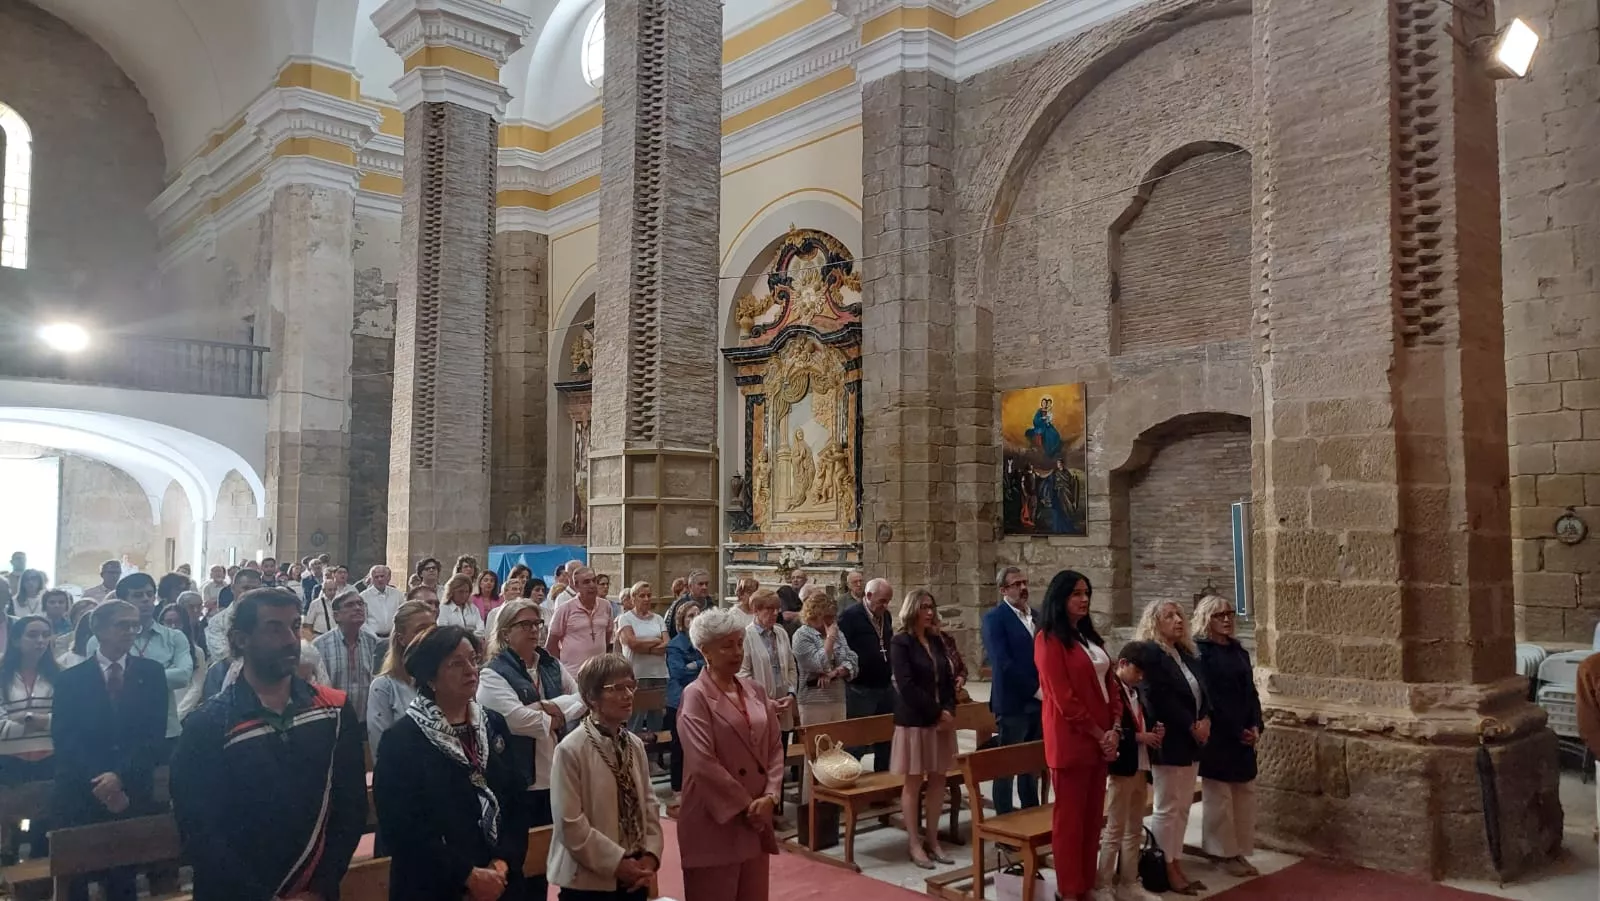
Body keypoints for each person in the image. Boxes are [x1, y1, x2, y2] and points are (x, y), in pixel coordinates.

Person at [172, 587, 366, 901]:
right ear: (240, 639)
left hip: (314, 888)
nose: (290, 640)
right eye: (273, 628)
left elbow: (351, 808)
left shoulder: (334, 710)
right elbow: (200, 830)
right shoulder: (208, 724)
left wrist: (320, 885)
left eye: (294, 626)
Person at [373, 625, 530, 901]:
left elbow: (515, 801)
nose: (471, 670)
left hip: (500, 883)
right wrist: (468, 876)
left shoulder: (492, 724)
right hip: (435, 886)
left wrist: (504, 862)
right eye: (456, 664)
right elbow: (403, 829)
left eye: (473, 659)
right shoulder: (401, 740)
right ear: (430, 677)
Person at [51, 601, 169, 901]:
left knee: (124, 878)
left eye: (135, 625)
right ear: (99, 629)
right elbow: (66, 738)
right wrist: (101, 781)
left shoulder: (151, 673)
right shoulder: (70, 679)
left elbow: (153, 735)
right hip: (83, 790)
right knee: (78, 876)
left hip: (132, 787)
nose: (131, 631)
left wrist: (120, 777)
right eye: (122, 624)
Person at [479, 600, 586, 901]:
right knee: (517, 870)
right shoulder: (492, 673)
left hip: (554, 776)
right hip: (518, 781)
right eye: (524, 625)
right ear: (505, 632)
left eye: (537, 624)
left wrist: (545, 710)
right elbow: (516, 720)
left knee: (543, 865)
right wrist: (554, 713)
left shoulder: (550, 664)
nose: (533, 630)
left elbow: (583, 698)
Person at [678, 609, 783, 900]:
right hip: (716, 816)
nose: (737, 652)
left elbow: (774, 747)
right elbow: (702, 763)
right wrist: (749, 806)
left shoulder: (756, 690)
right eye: (727, 646)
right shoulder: (695, 695)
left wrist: (771, 796)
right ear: (705, 652)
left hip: (757, 816)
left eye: (739, 643)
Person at [548, 654, 664, 901]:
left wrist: (650, 858)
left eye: (630, 686)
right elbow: (570, 823)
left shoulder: (634, 745)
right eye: (617, 688)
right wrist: (617, 864)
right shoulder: (570, 749)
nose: (628, 695)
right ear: (591, 697)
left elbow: (650, 805)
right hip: (589, 882)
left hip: (636, 873)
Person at [1033, 570, 1119, 901]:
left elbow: (1110, 683)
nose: (1084, 599)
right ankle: (1069, 890)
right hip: (1072, 738)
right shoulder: (1048, 639)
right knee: (1070, 821)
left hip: (1101, 738)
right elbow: (1063, 697)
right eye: (1076, 594)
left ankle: (1086, 884)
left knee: (1092, 818)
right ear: (1060, 598)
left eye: (1086, 593)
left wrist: (1114, 727)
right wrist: (1099, 733)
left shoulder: (1088, 636)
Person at [1136, 599, 1211, 895]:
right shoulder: (1151, 656)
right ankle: (1163, 866)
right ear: (1155, 622)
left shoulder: (1187, 653)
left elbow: (1204, 691)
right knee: (1167, 807)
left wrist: (1205, 719)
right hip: (1170, 740)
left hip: (1192, 739)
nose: (1178, 620)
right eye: (1169, 616)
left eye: (1179, 614)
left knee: (1181, 808)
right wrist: (1190, 725)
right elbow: (1156, 699)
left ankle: (1176, 860)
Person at [1192, 595, 1261, 879]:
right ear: (1207, 618)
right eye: (1220, 615)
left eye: (1230, 614)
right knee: (1219, 797)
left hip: (1244, 732)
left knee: (1243, 794)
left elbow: (1251, 693)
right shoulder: (1200, 652)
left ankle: (1240, 849)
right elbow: (1210, 697)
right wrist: (1235, 729)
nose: (1227, 619)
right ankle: (1221, 852)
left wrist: (1255, 725)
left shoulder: (1238, 651)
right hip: (1219, 734)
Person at [889, 588, 958, 869]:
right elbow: (906, 685)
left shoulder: (936, 639)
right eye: (924, 607)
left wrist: (950, 710)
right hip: (915, 722)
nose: (930, 612)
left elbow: (949, 677)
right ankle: (914, 843)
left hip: (941, 722)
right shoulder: (900, 642)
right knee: (914, 782)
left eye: (932, 606)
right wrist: (936, 711)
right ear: (912, 609)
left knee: (939, 780)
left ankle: (933, 839)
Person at [89, 573, 194, 754]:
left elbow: (183, 677)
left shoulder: (174, 637)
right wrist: (160, 675)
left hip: (165, 730)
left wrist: (124, 675)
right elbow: (98, 680)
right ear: (122, 600)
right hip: (115, 731)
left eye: (150, 594)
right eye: (138, 595)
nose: (146, 600)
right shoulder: (99, 639)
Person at [1101, 641, 1163, 901]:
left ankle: (1129, 882)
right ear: (1122, 664)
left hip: (1140, 766)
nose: (1140, 677)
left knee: (1134, 828)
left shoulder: (1137, 691)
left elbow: (1143, 719)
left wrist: (1155, 730)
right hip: (1121, 767)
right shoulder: (1111, 691)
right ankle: (1103, 885)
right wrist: (1140, 736)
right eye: (1137, 671)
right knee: (1114, 830)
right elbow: (1108, 728)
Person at [982, 565, 1043, 814]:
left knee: (1031, 764)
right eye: (1017, 584)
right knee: (1007, 767)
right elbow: (1002, 662)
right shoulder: (995, 619)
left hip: (1039, 701)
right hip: (1012, 703)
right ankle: (1004, 821)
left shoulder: (1037, 617)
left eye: (1025, 582)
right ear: (1004, 590)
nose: (1023, 588)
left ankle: (1031, 813)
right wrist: (1035, 689)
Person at [0, 615, 59, 861]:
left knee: (43, 829)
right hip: (8, 761)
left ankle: (40, 888)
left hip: (49, 759)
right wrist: (29, 723)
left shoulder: (60, 674)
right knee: (6, 829)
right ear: (15, 640)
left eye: (45, 634)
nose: (40, 641)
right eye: (32, 635)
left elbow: (69, 719)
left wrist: (42, 721)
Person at [839, 577, 897, 771]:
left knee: (887, 738)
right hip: (860, 688)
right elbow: (842, 649)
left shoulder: (885, 615)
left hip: (885, 686)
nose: (885, 605)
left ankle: (885, 785)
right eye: (882, 601)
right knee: (857, 742)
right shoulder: (850, 616)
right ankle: (849, 785)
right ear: (869, 595)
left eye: (888, 601)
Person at [368, 599, 439, 754]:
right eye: (421, 629)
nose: (429, 635)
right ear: (401, 639)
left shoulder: (442, 681)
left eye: (433, 629)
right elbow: (381, 747)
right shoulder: (384, 687)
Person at [314, 589, 380, 728]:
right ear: (336, 616)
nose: (357, 608)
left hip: (366, 722)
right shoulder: (320, 645)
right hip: (333, 723)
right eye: (350, 605)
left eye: (360, 604)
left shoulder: (373, 642)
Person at [791, 589, 858, 725]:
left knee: (838, 744)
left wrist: (834, 673)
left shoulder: (837, 632)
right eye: (827, 617)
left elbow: (853, 660)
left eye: (834, 616)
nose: (832, 621)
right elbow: (819, 664)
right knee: (818, 743)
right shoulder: (802, 635)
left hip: (837, 697)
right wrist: (830, 639)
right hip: (813, 700)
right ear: (814, 615)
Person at [737, 589, 797, 735]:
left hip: (783, 704)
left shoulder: (781, 633)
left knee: (781, 753)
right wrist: (765, 701)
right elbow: (743, 675)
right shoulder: (746, 636)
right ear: (755, 610)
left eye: (777, 609)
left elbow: (791, 667)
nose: (775, 613)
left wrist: (790, 694)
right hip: (759, 706)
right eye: (769, 609)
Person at [664, 602, 704, 805]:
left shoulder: (703, 642)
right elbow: (678, 672)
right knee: (679, 745)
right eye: (690, 616)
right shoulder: (675, 645)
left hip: (700, 699)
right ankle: (677, 788)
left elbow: (710, 665)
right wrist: (700, 665)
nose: (695, 618)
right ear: (682, 621)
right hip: (678, 700)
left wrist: (696, 664)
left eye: (698, 614)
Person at [614, 582, 668, 732]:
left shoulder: (658, 619)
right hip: (637, 674)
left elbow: (666, 644)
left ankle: (655, 753)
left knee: (657, 718)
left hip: (658, 673)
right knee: (636, 717)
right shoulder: (625, 619)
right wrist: (655, 643)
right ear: (633, 598)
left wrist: (644, 647)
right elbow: (632, 643)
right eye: (642, 595)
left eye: (648, 595)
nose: (646, 599)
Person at [547, 567, 613, 670]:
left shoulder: (606, 606)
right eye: (586, 582)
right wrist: (561, 669)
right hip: (573, 675)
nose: (592, 585)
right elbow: (551, 644)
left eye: (594, 581)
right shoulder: (565, 609)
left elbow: (607, 637)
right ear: (576, 586)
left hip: (600, 673)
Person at [206, 567, 261, 659]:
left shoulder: (271, 618)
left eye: (255, 589)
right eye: (246, 588)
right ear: (232, 588)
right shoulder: (217, 622)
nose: (250, 593)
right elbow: (222, 654)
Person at [664, 569, 712, 639]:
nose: (704, 587)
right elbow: (672, 631)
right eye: (700, 584)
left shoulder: (711, 604)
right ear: (690, 586)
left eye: (706, 584)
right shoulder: (680, 604)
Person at [362, 565, 405, 639]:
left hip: (394, 637)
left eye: (382, 576)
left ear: (388, 577)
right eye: (376, 577)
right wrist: (372, 636)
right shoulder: (363, 597)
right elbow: (363, 621)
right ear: (371, 579)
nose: (380, 579)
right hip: (373, 638)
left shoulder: (397, 594)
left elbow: (403, 615)